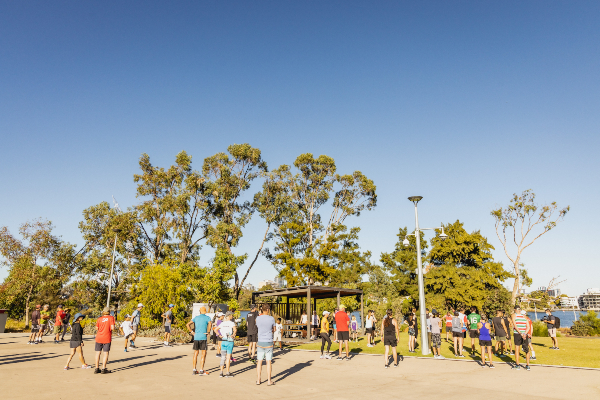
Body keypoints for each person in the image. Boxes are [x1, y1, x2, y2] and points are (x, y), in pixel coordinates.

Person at [186, 306, 212, 376]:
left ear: (200, 311)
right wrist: (208, 332)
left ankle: (194, 370)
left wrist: (192, 332)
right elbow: (210, 324)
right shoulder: (207, 318)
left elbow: (187, 324)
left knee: (195, 353)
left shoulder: (196, 318)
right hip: (203, 337)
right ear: (205, 311)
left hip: (196, 337)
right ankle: (201, 370)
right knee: (203, 354)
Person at [255, 304, 276, 386]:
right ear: (268, 310)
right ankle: (269, 380)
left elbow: (258, 327)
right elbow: (274, 329)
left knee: (259, 361)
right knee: (268, 362)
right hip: (268, 341)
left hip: (260, 341)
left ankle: (258, 380)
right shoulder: (271, 318)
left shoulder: (258, 318)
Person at [94, 307, 115, 374]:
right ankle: (103, 368)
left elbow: (96, 328)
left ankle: (97, 368)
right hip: (107, 337)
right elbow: (112, 328)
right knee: (105, 353)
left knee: (97, 353)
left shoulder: (99, 319)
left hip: (99, 337)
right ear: (109, 311)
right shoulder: (111, 318)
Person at [511, 306, 532, 371]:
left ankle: (520, 365)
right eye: (518, 309)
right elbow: (528, 326)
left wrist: (523, 333)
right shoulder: (524, 316)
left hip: (519, 334)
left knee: (520, 349)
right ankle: (526, 365)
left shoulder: (514, 315)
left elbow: (515, 325)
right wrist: (524, 333)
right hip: (522, 334)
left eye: (519, 309)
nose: (519, 310)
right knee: (523, 349)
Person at [217, 311, 237, 378]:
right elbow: (235, 330)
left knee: (223, 357)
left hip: (223, 340)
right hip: (229, 341)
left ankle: (221, 372)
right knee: (228, 357)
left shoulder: (222, 323)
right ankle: (227, 372)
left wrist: (220, 335)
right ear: (229, 316)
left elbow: (215, 329)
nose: (232, 316)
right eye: (231, 315)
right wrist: (233, 335)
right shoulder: (231, 323)